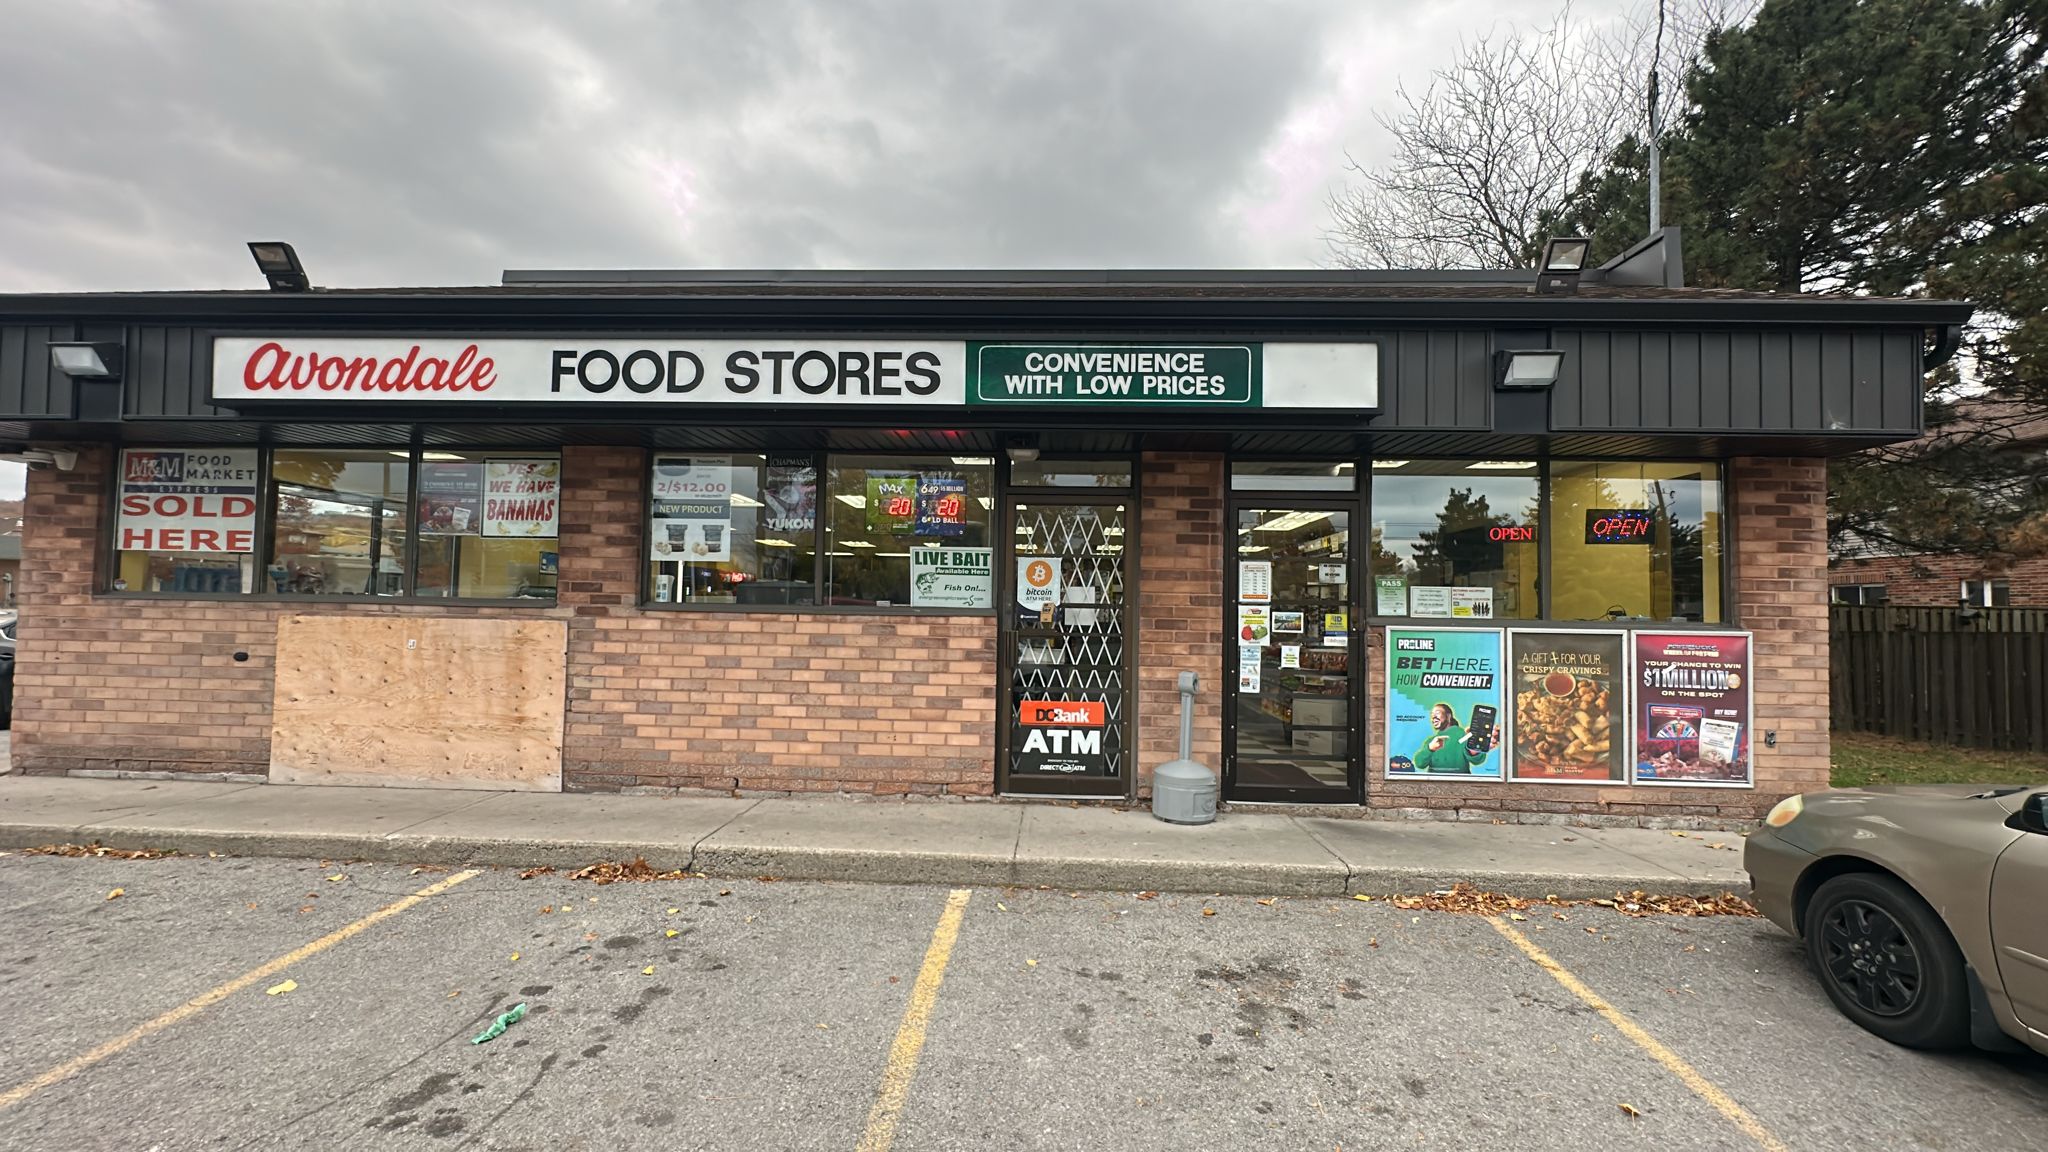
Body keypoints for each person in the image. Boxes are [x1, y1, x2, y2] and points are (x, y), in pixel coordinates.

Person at [1408, 702, 1498, 773]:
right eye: (1431, 714)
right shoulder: (1430, 741)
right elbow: (1419, 763)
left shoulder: (1464, 736)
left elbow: (1477, 761)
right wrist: (1430, 749)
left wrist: (1474, 751)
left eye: (1437, 713)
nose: (1433, 716)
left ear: (1448, 716)